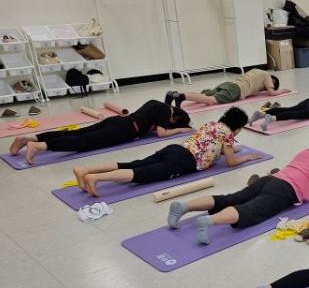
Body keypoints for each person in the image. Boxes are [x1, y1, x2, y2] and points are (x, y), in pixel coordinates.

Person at [167, 122, 309, 244]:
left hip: (270, 179)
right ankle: (209, 221)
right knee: (250, 210)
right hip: (285, 191)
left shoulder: (305, 152)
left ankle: (183, 206)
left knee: (231, 198)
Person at [72, 107, 259, 197]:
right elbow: (230, 162)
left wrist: (231, 149)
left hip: (175, 149)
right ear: (238, 127)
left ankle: (85, 170)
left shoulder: (212, 124)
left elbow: (211, 145)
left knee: (135, 164)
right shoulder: (228, 134)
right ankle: (95, 178)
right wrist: (247, 157)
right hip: (185, 161)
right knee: (142, 173)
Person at [9, 100, 193, 165]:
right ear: (175, 117)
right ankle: (39, 146)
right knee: (82, 141)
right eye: (174, 123)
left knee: (78, 133)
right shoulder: (165, 111)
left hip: (116, 121)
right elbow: (161, 133)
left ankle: (29, 138)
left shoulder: (155, 103)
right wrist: (181, 129)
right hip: (122, 130)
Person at [164, 69, 290, 108]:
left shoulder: (256, 70)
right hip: (235, 90)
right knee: (211, 100)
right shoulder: (267, 76)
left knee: (204, 96)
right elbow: (272, 92)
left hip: (229, 84)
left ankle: (175, 94)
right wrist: (284, 90)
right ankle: (182, 97)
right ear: (273, 80)